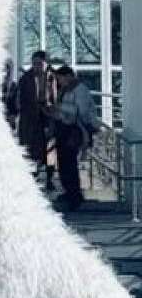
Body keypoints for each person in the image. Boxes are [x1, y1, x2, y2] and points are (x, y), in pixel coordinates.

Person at [44, 65, 99, 211]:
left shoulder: (80, 90)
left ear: (68, 76)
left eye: (60, 78)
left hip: (75, 130)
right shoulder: (65, 90)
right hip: (64, 129)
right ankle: (69, 192)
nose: (59, 82)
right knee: (63, 162)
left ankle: (74, 195)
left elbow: (81, 111)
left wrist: (60, 107)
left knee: (69, 163)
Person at [17, 50, 56, 190]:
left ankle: (49, 180)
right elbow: (20, 101)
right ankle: (33, 179)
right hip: (30, 120)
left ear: (46, 64)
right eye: (34, 63)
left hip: (48, 118)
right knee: (31, 150)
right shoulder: (25, 79)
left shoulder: (53, 78)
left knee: (50, 151)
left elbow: (55, 99)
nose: (37, 66)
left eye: (40, 64)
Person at [0, 58, 18, 131]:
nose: (5, 72)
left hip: (8, 119)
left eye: (7, 69)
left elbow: (15, 104)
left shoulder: (13, 86)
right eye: (3, 69)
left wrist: (12, 117)